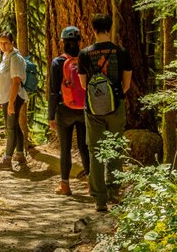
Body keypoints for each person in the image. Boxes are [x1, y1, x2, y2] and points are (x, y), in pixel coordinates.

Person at [78, 14, 132, 212]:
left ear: (93, 29)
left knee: (95, 151)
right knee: (115, 148)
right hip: (116, 106)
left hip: (92, 108)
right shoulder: (121, 52)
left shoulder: (84, 54)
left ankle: (99, 200)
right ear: (110, 28)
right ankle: (114, 192)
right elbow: (126, 84)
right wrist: (113, 96)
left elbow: (84, 84)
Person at [48, 25, 90, 196]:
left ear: (63, 42)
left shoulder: (58, 62)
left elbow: (52, 91)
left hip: (64, 110)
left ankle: (65, 185)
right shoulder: (86, 60)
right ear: (79, 41)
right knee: (84, 147)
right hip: (84, 109)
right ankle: (90, 184)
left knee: (65, 148)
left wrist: (51, 115)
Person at [0, 30, 28, 170]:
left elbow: (16, 82)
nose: (3, 45)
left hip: (14, 97)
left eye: (6, 42)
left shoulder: (15, 58)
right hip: (6, 97)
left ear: (12, 42)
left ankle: (7, 160)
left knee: (10, 128)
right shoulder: (5, 57)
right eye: (1, 43)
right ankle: (20, 154)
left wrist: (11, 103)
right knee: (13, 126)